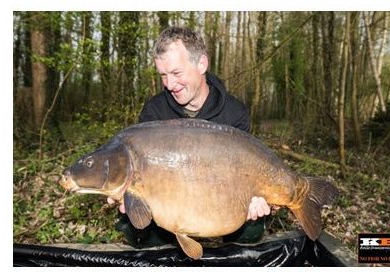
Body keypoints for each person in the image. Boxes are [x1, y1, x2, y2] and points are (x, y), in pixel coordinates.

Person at [108, 26, 270, 247]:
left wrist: (256, 198)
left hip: (220, 204)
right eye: (163, 75)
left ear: (201, 64)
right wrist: (124, 191)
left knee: (253, 227)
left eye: (176, 73)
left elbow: (247, 171)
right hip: (170, 206)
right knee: (132, 224)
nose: (169, 84)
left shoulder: (234, 112)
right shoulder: (154, 112)